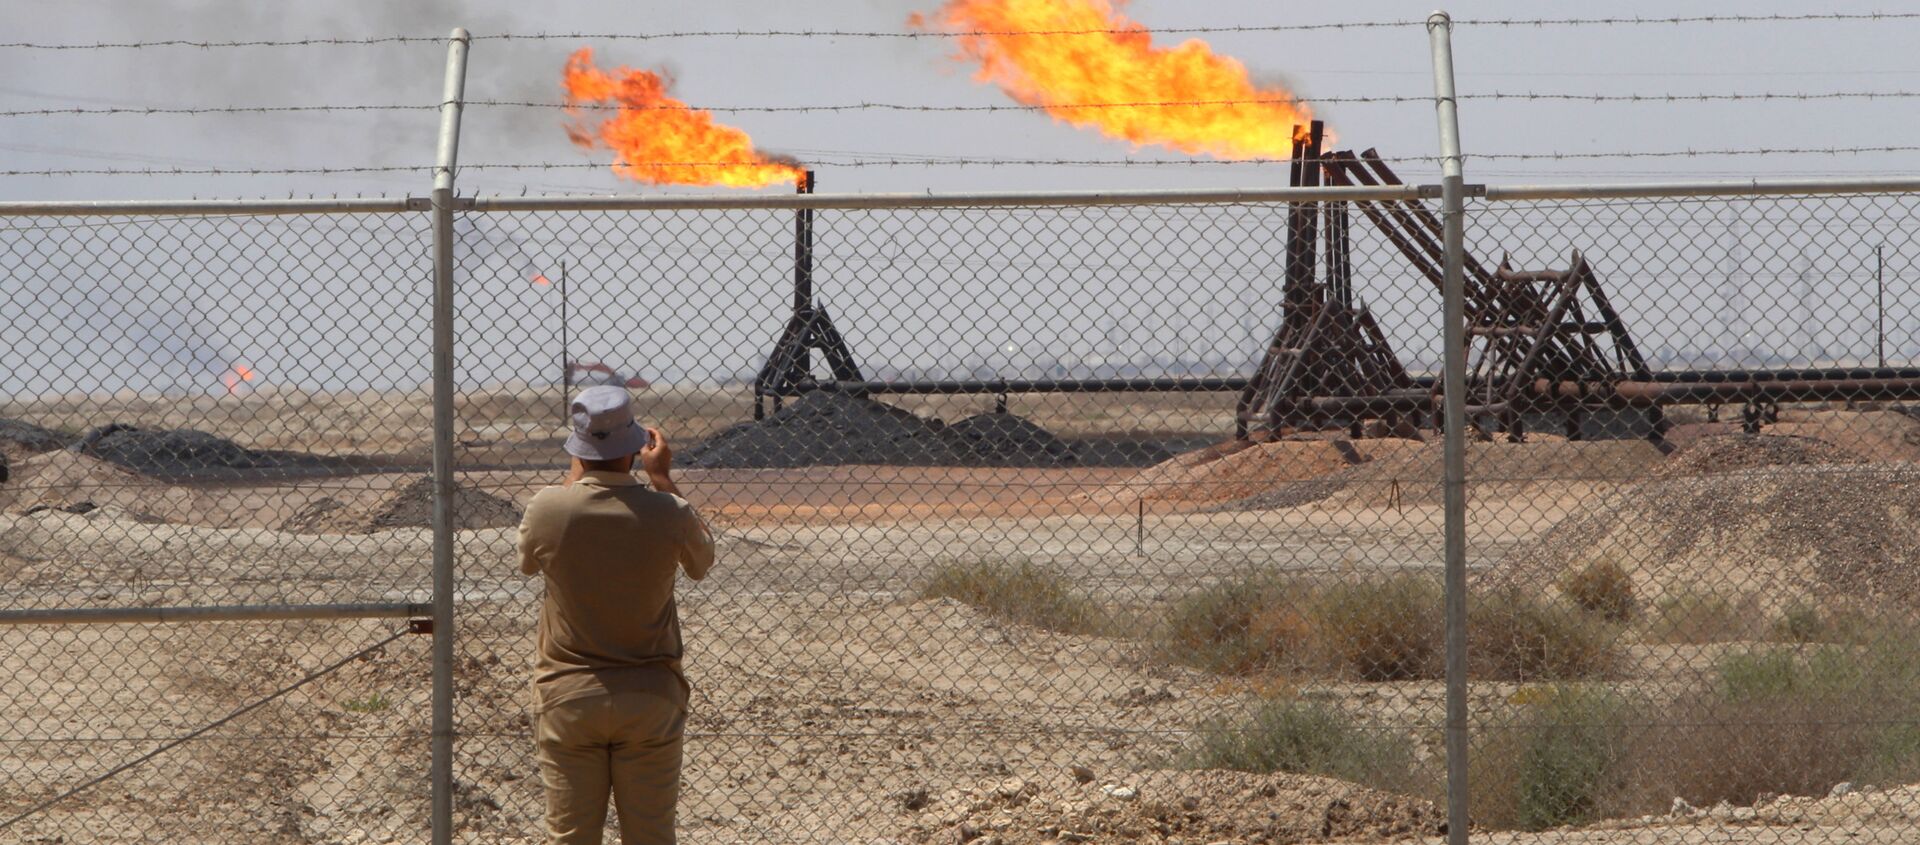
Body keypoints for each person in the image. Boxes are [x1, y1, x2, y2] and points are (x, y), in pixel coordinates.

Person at [517, 385, 715, 844]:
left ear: (579, 449)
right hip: (649, 696)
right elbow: (701, 564)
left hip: (569, 695)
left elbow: (529, 563)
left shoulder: (548, 508)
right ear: (637, 448)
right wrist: (662, 478)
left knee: (570, 836)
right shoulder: (670, 513)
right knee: (650, 835)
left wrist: (578, 474)